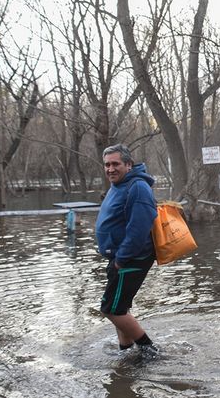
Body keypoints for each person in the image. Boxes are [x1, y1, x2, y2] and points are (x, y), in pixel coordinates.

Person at [95, 144, 159, 356]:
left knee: (111, 309)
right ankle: (126, 351)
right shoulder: (119, 185)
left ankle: (149, 350)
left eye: (116, 164)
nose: (110, 169)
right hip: (119, 257)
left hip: (132, 258)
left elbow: (139, 229)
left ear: (129, 165)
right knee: (119, 307)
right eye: (107, 165)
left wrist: (121, 259)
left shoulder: (138, 187)